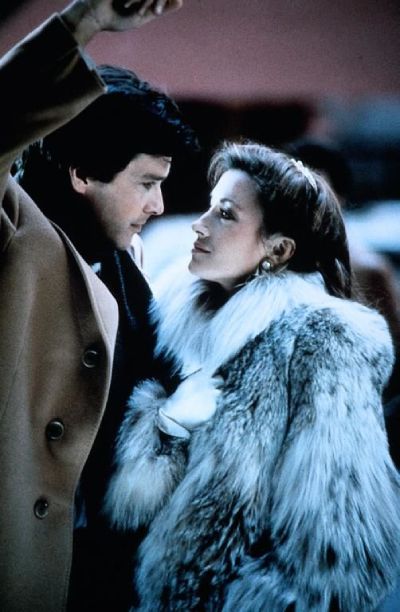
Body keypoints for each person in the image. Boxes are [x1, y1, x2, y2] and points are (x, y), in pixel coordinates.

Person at [105, 142, 400, 611]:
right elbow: (130, 506)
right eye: (209, 207)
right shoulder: (175, 325)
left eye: (225, 214)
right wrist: (167, 425)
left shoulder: (323, 341)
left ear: (278, 249)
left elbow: (338, 550)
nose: (200, 224)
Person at [0, 1, 187, 611]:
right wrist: (81, 22)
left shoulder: (126, 263)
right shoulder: (13, 230)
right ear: (82, 173)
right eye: (147, 183)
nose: (159, 206)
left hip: (98, 570)